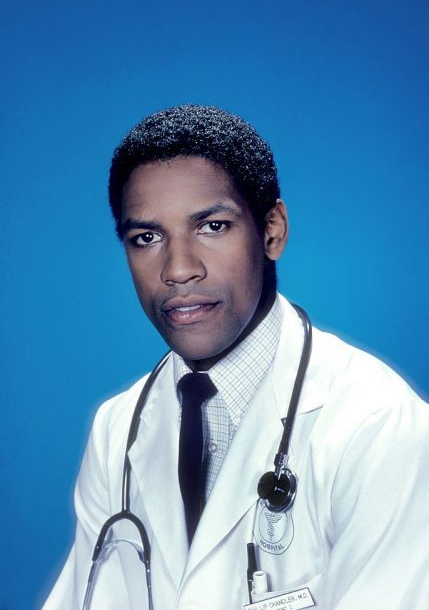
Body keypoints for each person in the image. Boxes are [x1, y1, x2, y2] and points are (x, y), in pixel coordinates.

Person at [43, 105, 429, 610]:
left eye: (213, 226)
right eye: (147, 238)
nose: (178, 269)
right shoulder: (117, 430)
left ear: (272, 231)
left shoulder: (378, 426)